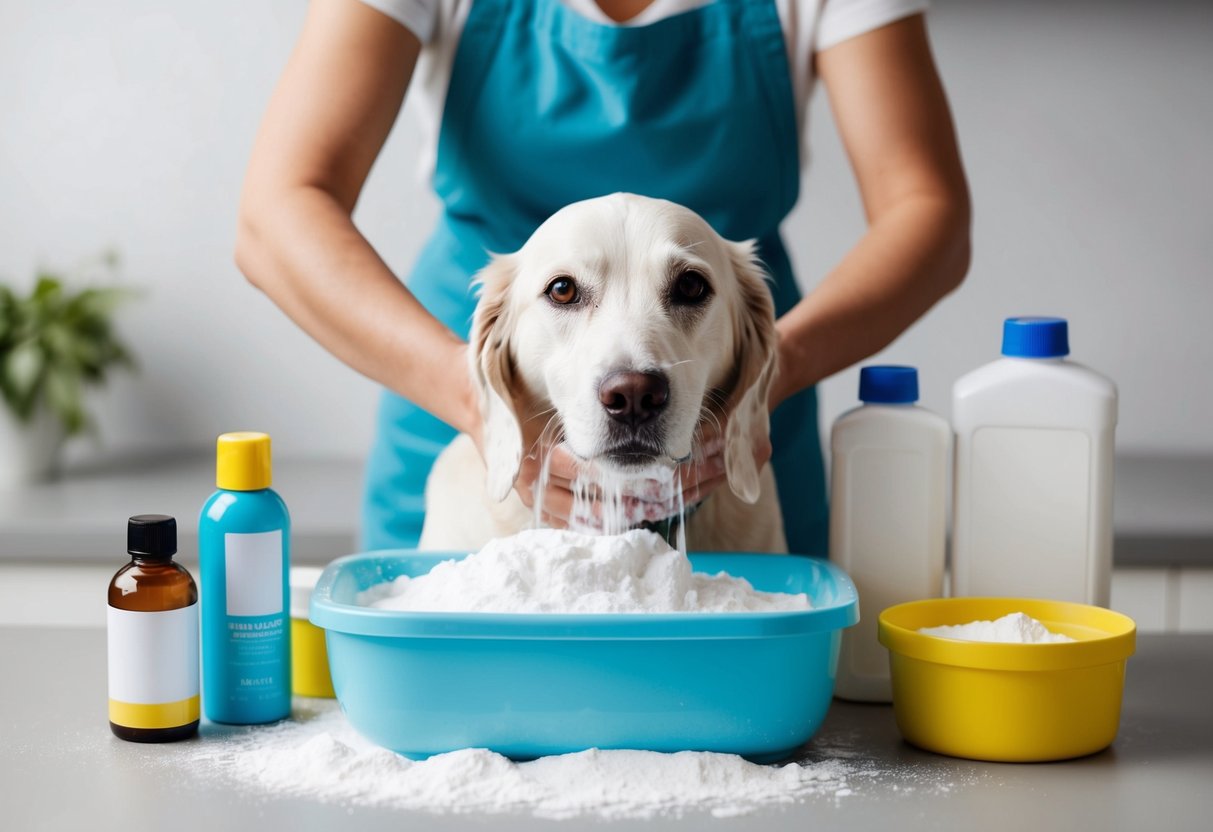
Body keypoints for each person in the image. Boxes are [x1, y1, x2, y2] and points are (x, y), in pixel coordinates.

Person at [235, 0, 971, 555]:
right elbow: (276, 213)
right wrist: (482, 407)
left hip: (733, 425)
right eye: (564, 289)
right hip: (467, 406)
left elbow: (927, 213)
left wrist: (764, 381)